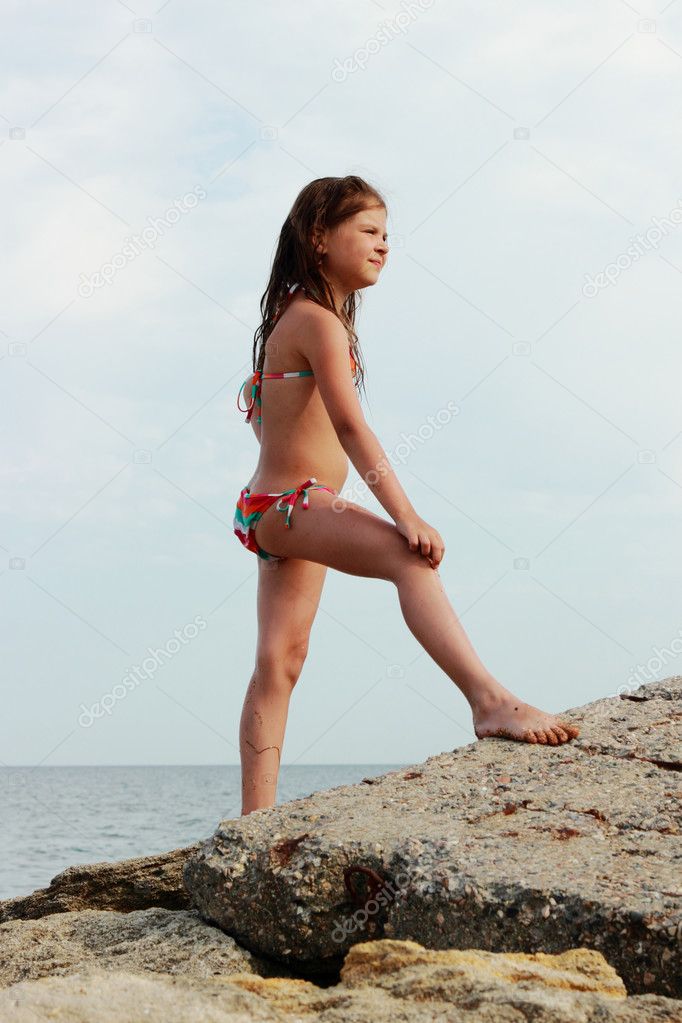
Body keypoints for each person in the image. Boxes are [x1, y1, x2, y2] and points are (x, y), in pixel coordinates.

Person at [233, 175, 579, 815]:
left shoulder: (295, 315)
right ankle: (488, 701)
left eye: (387, 234)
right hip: (295, 504)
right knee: (408, 558)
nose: (383, 245)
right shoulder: (316, 320)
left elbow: (273, 416)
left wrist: (262, 405)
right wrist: (406, 514)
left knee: (281, 659)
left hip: (271, 509)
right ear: (318, 237)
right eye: (367, 231)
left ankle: (256, 821)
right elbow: (349, 425)